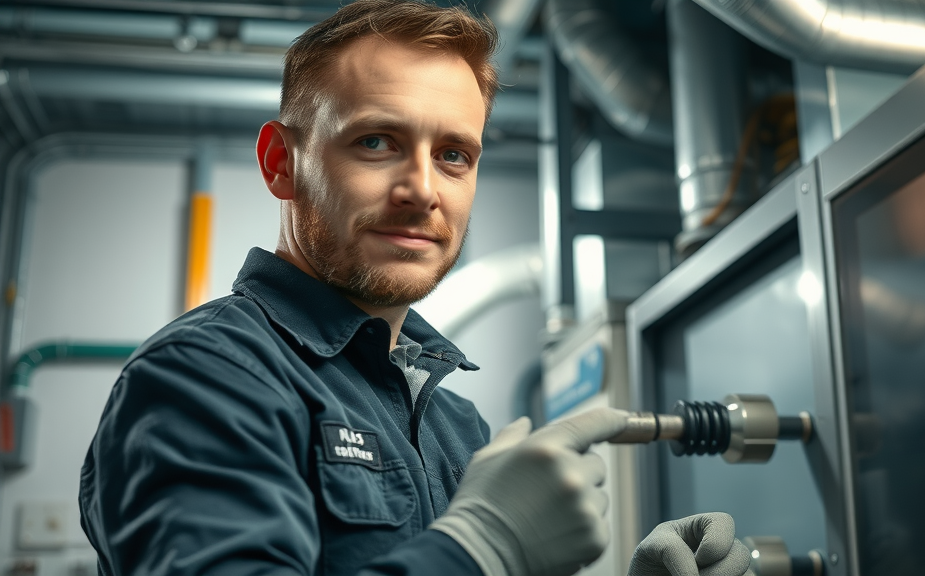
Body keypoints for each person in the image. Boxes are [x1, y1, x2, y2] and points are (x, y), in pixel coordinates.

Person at [79, 1, 752, 576]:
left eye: (454, 155)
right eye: (376, 142)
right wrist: (482, 546)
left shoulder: (456, 425)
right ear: (281, 163)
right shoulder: (208, 378)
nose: (423, 190)